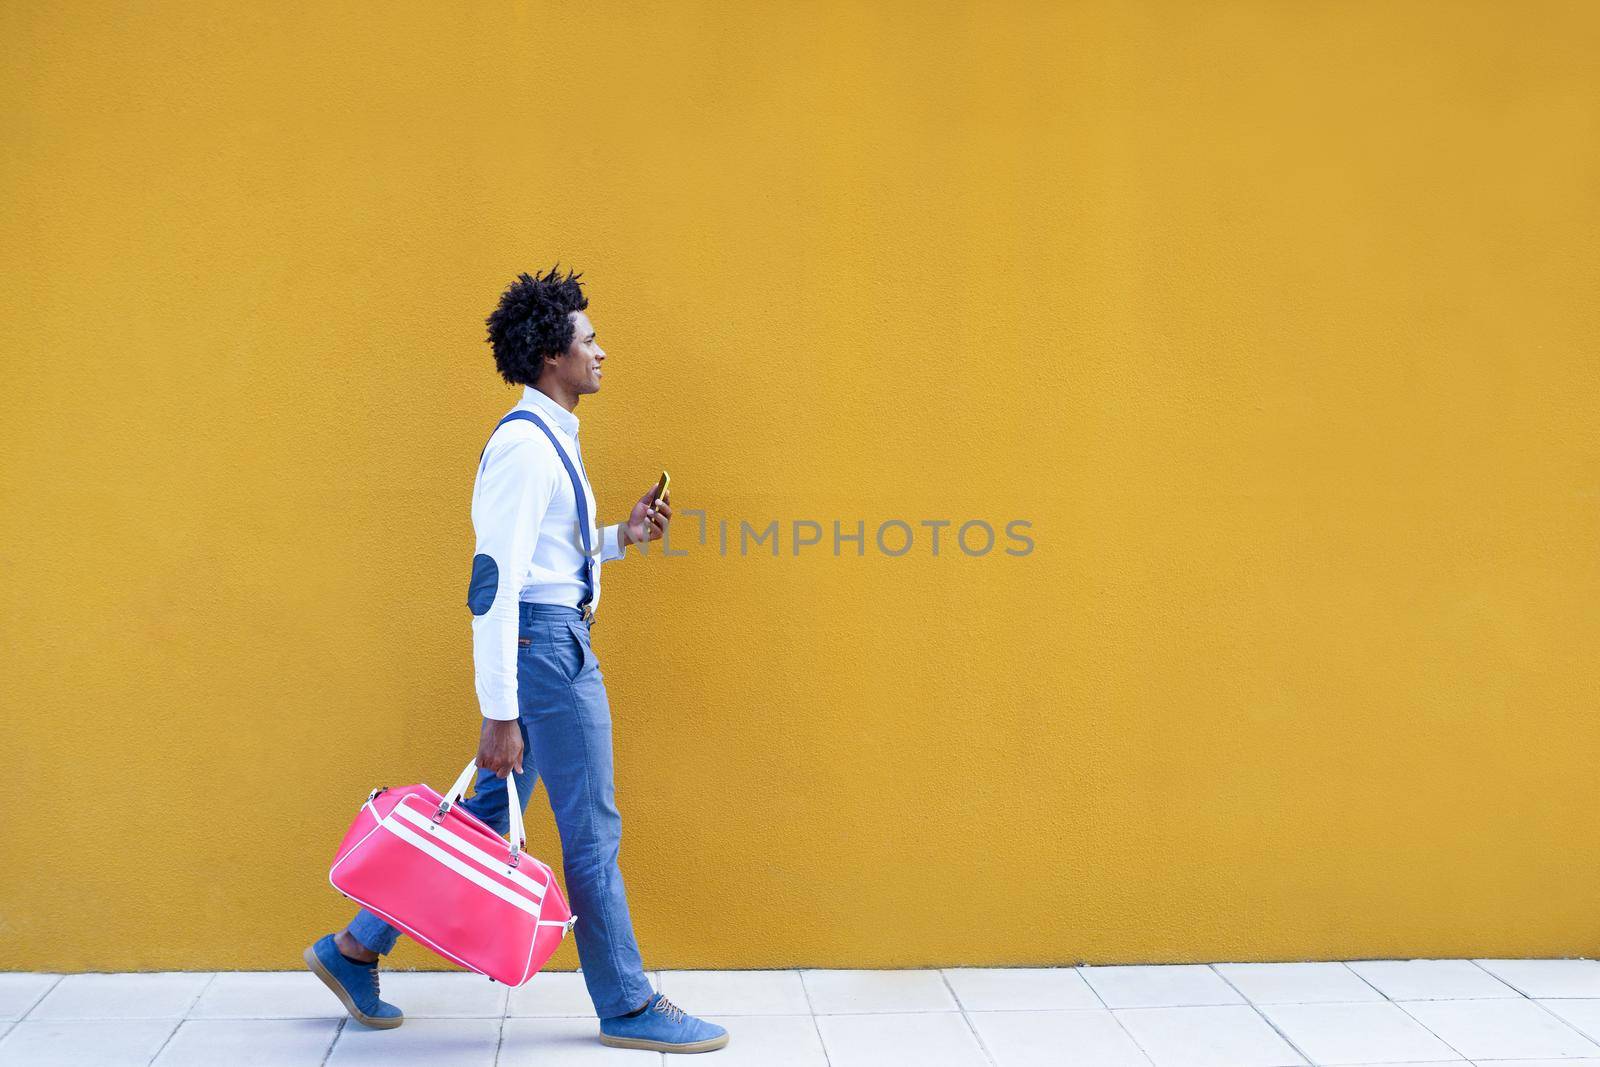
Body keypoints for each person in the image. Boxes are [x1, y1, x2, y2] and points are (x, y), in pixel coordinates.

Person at [304, 265, 729, 1054]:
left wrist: (623, 537)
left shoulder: (549, 439)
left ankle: (353, 947)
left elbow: (548, 558)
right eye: (588, 338)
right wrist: (499, 711)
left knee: (480, 821)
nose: (601, 350)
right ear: (550, 357)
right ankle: (628, 1002)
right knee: (593, 830)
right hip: (547, 657)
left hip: (548, 642)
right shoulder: (525, 450)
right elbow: (492, 587)